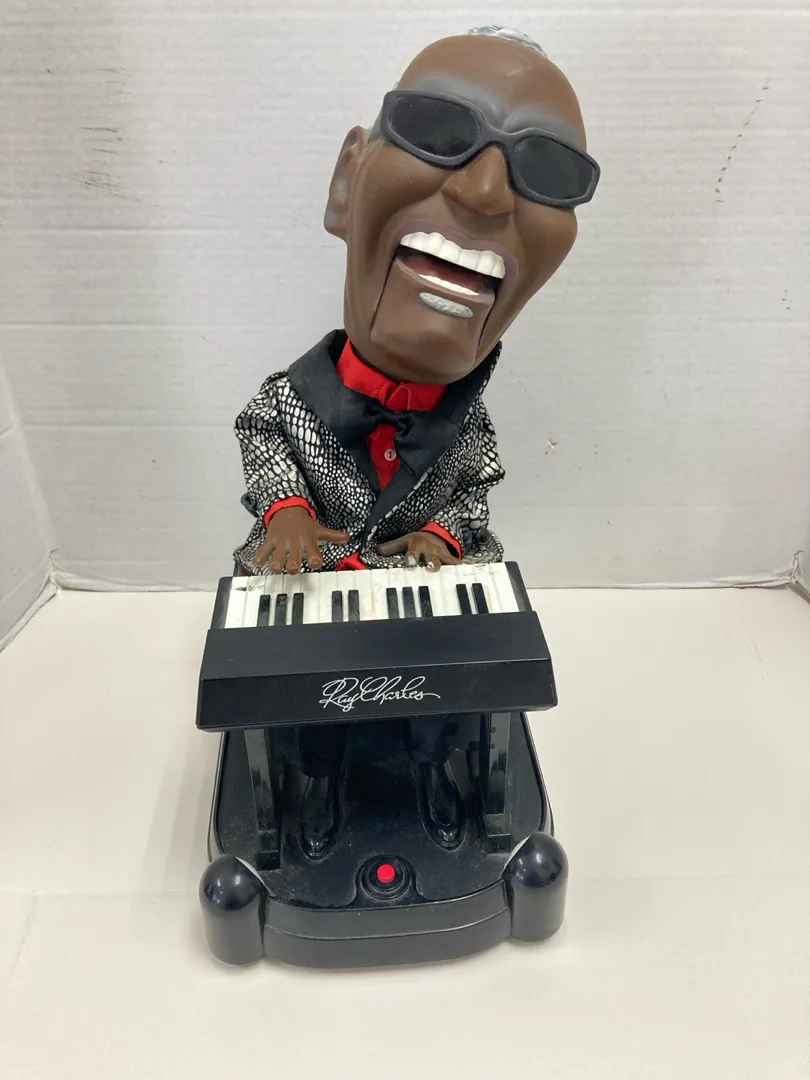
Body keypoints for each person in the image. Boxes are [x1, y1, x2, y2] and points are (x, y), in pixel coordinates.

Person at [233, 26, 599, 857]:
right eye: (437, 131)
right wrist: (287, 511)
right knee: (311, 693)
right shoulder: (290, 399)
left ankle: (436, 775)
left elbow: (474, 486)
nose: (485, 192)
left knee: (448, 689)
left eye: (547, 173)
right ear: (345, 187)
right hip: (316, 580)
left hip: (424, 589)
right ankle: (320, 785)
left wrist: (442, 535)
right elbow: (262, 436)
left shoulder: (469, 427)